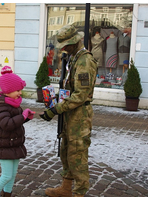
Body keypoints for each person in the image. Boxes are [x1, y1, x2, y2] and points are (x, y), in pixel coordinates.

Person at [39, 24, 98, 197]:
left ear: (74, 42)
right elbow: (71, 89)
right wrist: (55, 100)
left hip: (79, 115)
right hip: (70, 112)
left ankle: (79, 193)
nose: (63, 49)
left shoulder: (84, 61)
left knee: (77, 155)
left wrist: (56, 109)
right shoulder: (74, 57)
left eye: (65, 45)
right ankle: (66, 187)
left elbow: (80, 95)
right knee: (66, 151)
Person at [0, 66, 35, 197]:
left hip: (14, 144)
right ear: (8, 91)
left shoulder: (13, 102)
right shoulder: (1, 105)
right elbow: (6, 124)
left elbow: (15, 122)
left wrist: (26, 118)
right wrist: (22, 116)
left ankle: (7, 195)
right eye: (18, 90)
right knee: (6, 176)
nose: (20, 93)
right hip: (5, 145)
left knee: (12, 175)